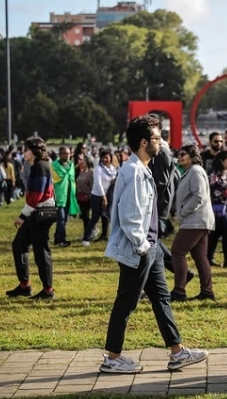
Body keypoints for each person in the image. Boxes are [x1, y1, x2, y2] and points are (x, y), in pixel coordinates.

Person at [99, 115, 208, 374]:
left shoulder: (144, 167)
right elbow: (130, 215)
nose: (162, 143)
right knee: (126, 302)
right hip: (139, 249)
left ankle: (178, 352)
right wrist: (142, 246)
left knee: (161, 299)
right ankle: (112, 358)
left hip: (152, 246)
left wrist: (151, 246)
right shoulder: (134, 171)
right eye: (158, 138)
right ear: (144, 142)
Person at [7, 138, 56, 300]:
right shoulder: (36, 166)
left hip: (40, 212)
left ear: (35, 151)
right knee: (19, 245)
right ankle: (24, 285)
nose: (24, 152)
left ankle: (48, 290)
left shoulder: (41, 166)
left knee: (41, 251)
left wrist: (22, 215)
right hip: (34, 212)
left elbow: (37, 195)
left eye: (26, 149)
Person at [170, 144, 215, 301]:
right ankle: (207, 292)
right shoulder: (190, 172)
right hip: (198, 220)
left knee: (177, 252)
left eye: (184, 154)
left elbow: (199, 196)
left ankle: (179, 291)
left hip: (195, 220)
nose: (180, 156)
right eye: (179, 153)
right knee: (200, 256)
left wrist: (182, 211)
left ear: (193, 156)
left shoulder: (195, 171)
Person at [207, 150, 227, 268]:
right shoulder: (213, 175)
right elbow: (212, 190)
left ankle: (209, 257)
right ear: (221, 161)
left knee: (216, 233)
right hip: (218, 207)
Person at [82, 150, 117, 245]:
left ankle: (104, 235)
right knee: (95, 217)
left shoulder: (113, 169)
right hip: (97, 195)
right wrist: (103, 197)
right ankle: (86, 238)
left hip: (108, 195)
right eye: (103, 157)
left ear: (110, 158)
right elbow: (98, 184)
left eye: (107, 157)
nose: (105, 159)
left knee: (105, 216)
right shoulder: (98, 169)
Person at [51, 146, 79, 247]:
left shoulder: (71, 165)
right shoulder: (54, 166)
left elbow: (72, 178)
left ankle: (56, 238)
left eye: (68, 153)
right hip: (59, 196)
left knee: (64, 219)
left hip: (69, 196)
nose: (67, 155)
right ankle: (61, 240)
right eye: (64, 153)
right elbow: (53, 180)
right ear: (60, 154)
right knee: (61, 219)